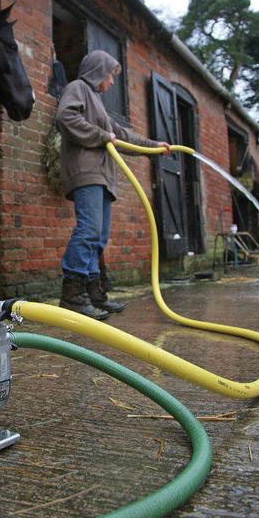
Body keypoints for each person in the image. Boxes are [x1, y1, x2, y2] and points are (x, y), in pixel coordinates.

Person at [55, 49, 171, 320]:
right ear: (98, 72)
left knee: (99, 236)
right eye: (111, 75)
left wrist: (156, 147)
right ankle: (71, 295)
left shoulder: (98, 103)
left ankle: (93, 291)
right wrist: (100, 135)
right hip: (87, 173)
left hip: (104, 178)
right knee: (88, 230)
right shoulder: (78, 88)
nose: (113, 81)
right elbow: (66, 118)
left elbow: (123, 136)